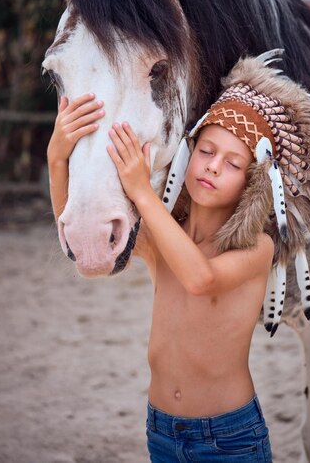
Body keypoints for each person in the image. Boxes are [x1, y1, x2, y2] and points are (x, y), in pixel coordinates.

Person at [47, 92, 275, 462]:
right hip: (162, 431)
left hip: (229, 438)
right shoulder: (162, 236)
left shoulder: (257, 249)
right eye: (206, 151)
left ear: (252, 182)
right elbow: (85, 241)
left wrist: (140, 190)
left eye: (232, 163)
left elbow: (200, 279)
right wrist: (57, 156)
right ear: (189, 153)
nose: (213, 166)